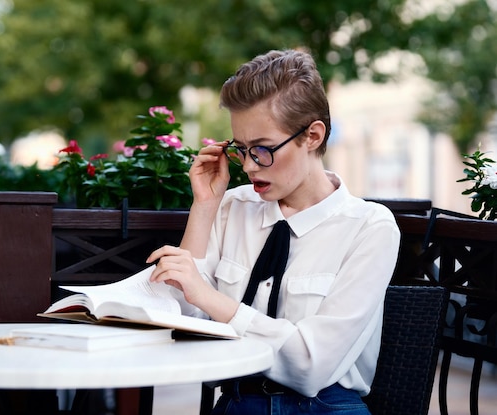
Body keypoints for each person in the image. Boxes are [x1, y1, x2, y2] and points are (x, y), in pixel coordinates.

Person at [147, 48, 401, 414]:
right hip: (235, 402)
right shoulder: (232, 207)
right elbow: (182, 318)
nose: (249, 166)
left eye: (263, 150)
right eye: (241, 149)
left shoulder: (369, 227)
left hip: (323, 406)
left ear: (312, 136)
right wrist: (204, 207)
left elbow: (311, 366)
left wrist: (211, 297)